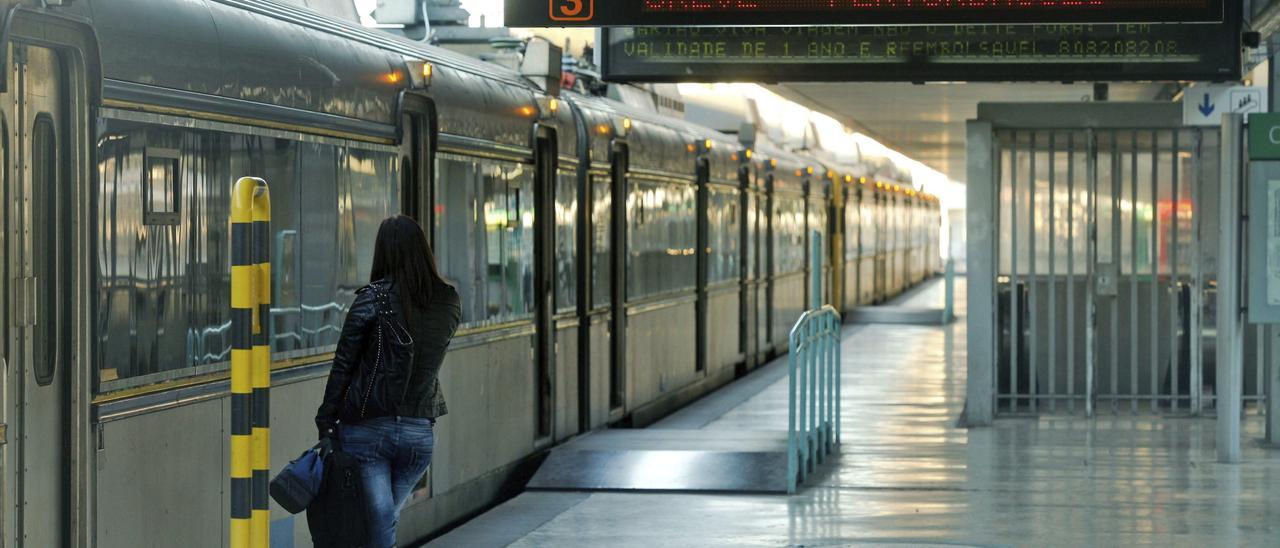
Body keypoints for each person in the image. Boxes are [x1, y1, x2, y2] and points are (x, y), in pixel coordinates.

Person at [315, 215, 461, 548]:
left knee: (378, 519)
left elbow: (344, 365)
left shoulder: (372, 299)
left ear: (383, 252)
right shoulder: (449, 301)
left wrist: (326, 419)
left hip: (368, 430)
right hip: (418, 435)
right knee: (381, 519)